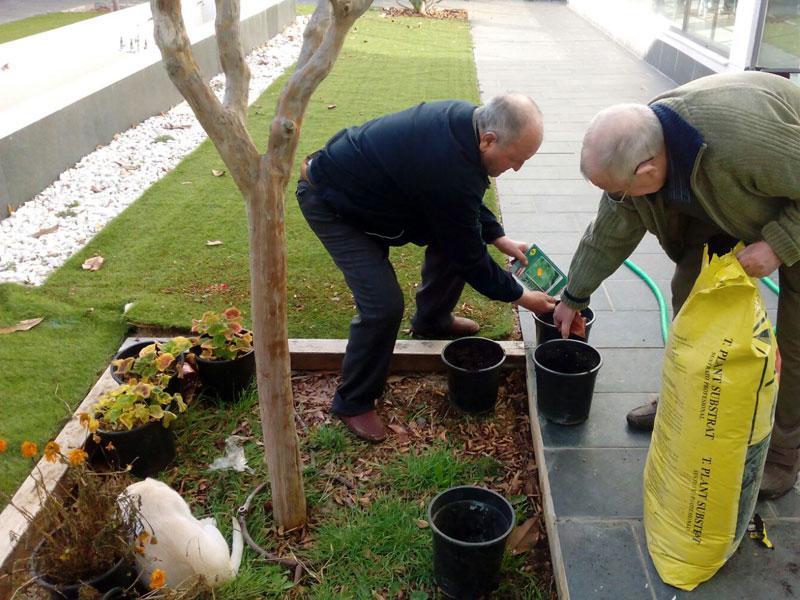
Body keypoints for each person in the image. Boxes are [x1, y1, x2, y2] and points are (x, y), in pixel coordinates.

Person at [553, 71, 800, 499]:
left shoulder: (744, 141)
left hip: (787, 194)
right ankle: (682, 405)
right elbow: (611, 227)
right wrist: (574, 295)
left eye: (620, 190)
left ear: (648, 169)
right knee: (690, 307)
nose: (619, 198)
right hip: (723, 201)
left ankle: (783, 453)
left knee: (795, 346)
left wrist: (779, 244)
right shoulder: (642, 147)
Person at [296, 94, 555, 443]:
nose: (517, 168)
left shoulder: (467, 125)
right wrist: (524, 297)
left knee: (451, 236)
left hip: (374, 196)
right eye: (515, 158)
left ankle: (431, 321)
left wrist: (498, 237)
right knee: (382, 305)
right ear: (489, 139)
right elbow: (470, 258)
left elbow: (463, 204)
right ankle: (353, 402)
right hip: (334, 204)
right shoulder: (448, 161)